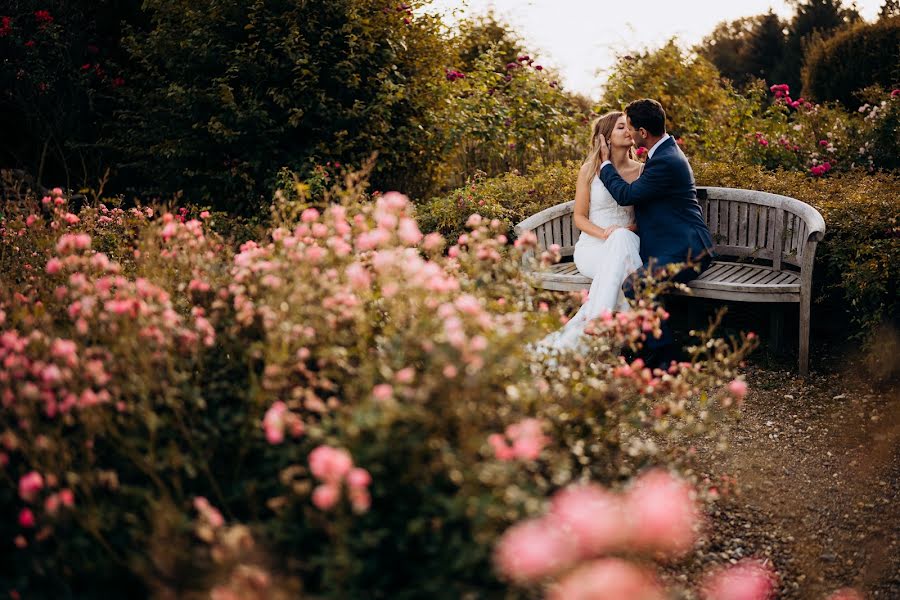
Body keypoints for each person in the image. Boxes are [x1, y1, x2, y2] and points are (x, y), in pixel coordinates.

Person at [597, 98, 715, 369]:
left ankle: (664, 361)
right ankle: (647, 352)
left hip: (690, 249)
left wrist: (606, 165)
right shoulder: (661, 153)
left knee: (636, 285)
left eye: (631, 128)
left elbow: (626, 195)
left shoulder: (666, 160)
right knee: (639, 283)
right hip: (670, 246)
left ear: (642, 133)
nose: (628, 132)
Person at [538, 111, 644, 353]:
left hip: (627, 243)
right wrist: (605, 233)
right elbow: (579, 217)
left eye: (629, 126)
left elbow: (645, 220)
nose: (628, 131)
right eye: (620, 127)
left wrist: (623, 231)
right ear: (605, 137)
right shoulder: (588, 170)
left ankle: (598, 320)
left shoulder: (641, 171)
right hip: (593, 247)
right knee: (620, 258)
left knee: (622, 239)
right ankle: (631, 335)